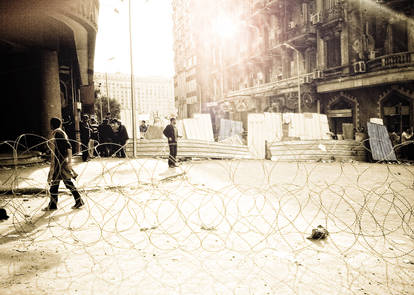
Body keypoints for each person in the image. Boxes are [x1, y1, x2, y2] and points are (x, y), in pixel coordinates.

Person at [43, 117, 84, 211]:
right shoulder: (60, 132)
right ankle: (54, 204)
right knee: (57, 184)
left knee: (61, 184)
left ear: (52, 125)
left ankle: (77, 201)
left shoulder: (58, 133)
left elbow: (68, 147)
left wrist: (69, 162)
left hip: (60, 163)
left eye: (50, 124)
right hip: (59, 162)